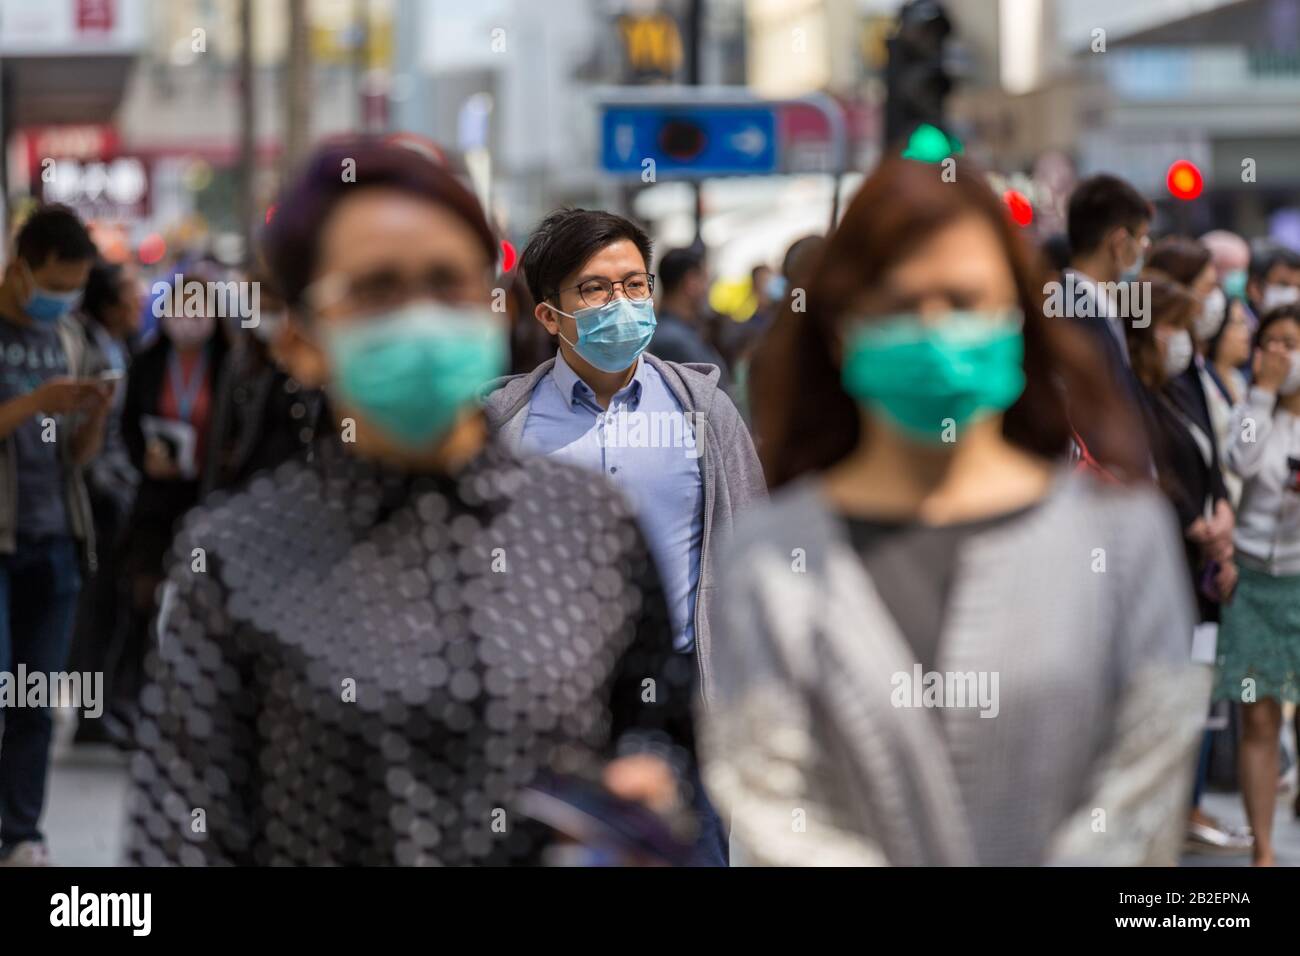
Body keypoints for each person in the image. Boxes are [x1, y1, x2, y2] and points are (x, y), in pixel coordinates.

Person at [126, 138, 695, 866]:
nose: (421, 319)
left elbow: (655, 724)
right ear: (300, 340)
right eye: (377, 291)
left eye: (447, 283)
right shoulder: (237, 555)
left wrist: (645, 788)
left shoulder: (590, 524)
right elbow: (178, 835)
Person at [700, 156, 1206, 866]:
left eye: (966, 302)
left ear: (1019, 321)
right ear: (843, 329)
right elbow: (772, 809)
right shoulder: (768, 556)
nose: (935, 329)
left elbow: (1138, 800)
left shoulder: (1122, 541)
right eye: (901, 305)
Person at [481, 208, 765, 864]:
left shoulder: (704, 413)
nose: (623, 303)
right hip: (544, 711)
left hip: (684, 709)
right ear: (549, 316)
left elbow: (751, 550)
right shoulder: (502, 428)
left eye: (636, 285)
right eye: (596, 289)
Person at [0, 204, 112, 866]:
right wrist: (34, 405)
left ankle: (21, 834)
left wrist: (92, 415)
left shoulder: (70, 338)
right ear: (21, 268)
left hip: (57, 540)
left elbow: (77, 457)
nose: (64, 297)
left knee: (37, 700)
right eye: (58, 281)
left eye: (74, 285)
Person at [1124, 271, 1248, 856]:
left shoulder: (1181, 386)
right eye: (1170, 324)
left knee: (1196, 696)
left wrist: (1219, 521)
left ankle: (1187, 808)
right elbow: (1151, 476)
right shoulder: (1133, 396)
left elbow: (1213, 462)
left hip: (1200, 570)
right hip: (1168, 569)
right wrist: (1196, 525)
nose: (1182, 336)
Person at [118, 265, 229, 733]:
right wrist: (145, 456)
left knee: (209, 605)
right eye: (180, 308)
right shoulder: (146, 361)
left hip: (211, 500)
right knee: (143, 598)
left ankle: (204, 708)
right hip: (156, 499)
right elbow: (126, 425)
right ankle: (131, 698)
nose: (188, 319)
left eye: (198, 309)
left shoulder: (230, 366)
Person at [1214, 303, 1300, 865]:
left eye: (1291, 344)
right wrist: (1264, 395)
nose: (1279, 354)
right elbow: (1238, 459)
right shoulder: (1250, 408)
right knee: (1259, 714)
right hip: (1251, 581)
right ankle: (1264, 851)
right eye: (1269, 343)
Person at [67, 260, 142, 745]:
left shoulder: (126, 344)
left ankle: (108, 705)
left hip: (120, 489)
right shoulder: (84, 345)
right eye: (131, 293)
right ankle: (91, 713)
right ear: (110, 302)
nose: (141, 302)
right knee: (93, 608)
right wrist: (111, 486)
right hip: (97, 496)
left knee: (114, 606)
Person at [202, 268, 323, 497]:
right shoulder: (241, 361)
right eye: (260, 310)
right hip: (252, 486)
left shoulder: (313, 361)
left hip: (305, 488)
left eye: (274, 309)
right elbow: (221, 431)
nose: (266, 318)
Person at [648, 246, 730, 381]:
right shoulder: (673, 340)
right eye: (705, 280)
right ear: (690, 283)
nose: (707, 289)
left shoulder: (682, 332)